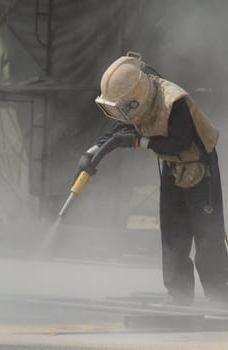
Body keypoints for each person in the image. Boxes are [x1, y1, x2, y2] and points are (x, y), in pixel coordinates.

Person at [76, 52, 228, 306]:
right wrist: (92, 152)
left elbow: (179, 142)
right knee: (172, 233)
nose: (123, 113)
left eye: (123, 107)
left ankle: (220, 296)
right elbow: (118, 128)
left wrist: (138, 141)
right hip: (172, 167)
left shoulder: (174, 101)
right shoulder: (138, 102)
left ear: (135, 100)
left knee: (207, 235)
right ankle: (178, 296)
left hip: (200, 169)